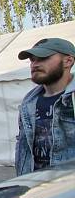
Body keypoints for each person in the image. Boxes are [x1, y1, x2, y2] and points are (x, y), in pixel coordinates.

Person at [15, 37, 75, 175]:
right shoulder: (28, 102)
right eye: (32, 60)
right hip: (36, 189)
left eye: (43, 58)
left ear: (68, 61)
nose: (34, 64)